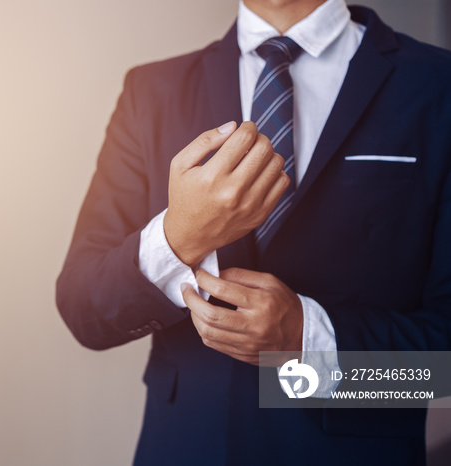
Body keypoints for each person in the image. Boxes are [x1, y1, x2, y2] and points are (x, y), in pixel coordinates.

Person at [56, 0, 451, 464]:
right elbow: (85, 314)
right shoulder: (150, 92)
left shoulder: (437, 86)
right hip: (185, 449)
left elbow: (441, 374)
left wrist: (306, 343)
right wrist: (179, 238)